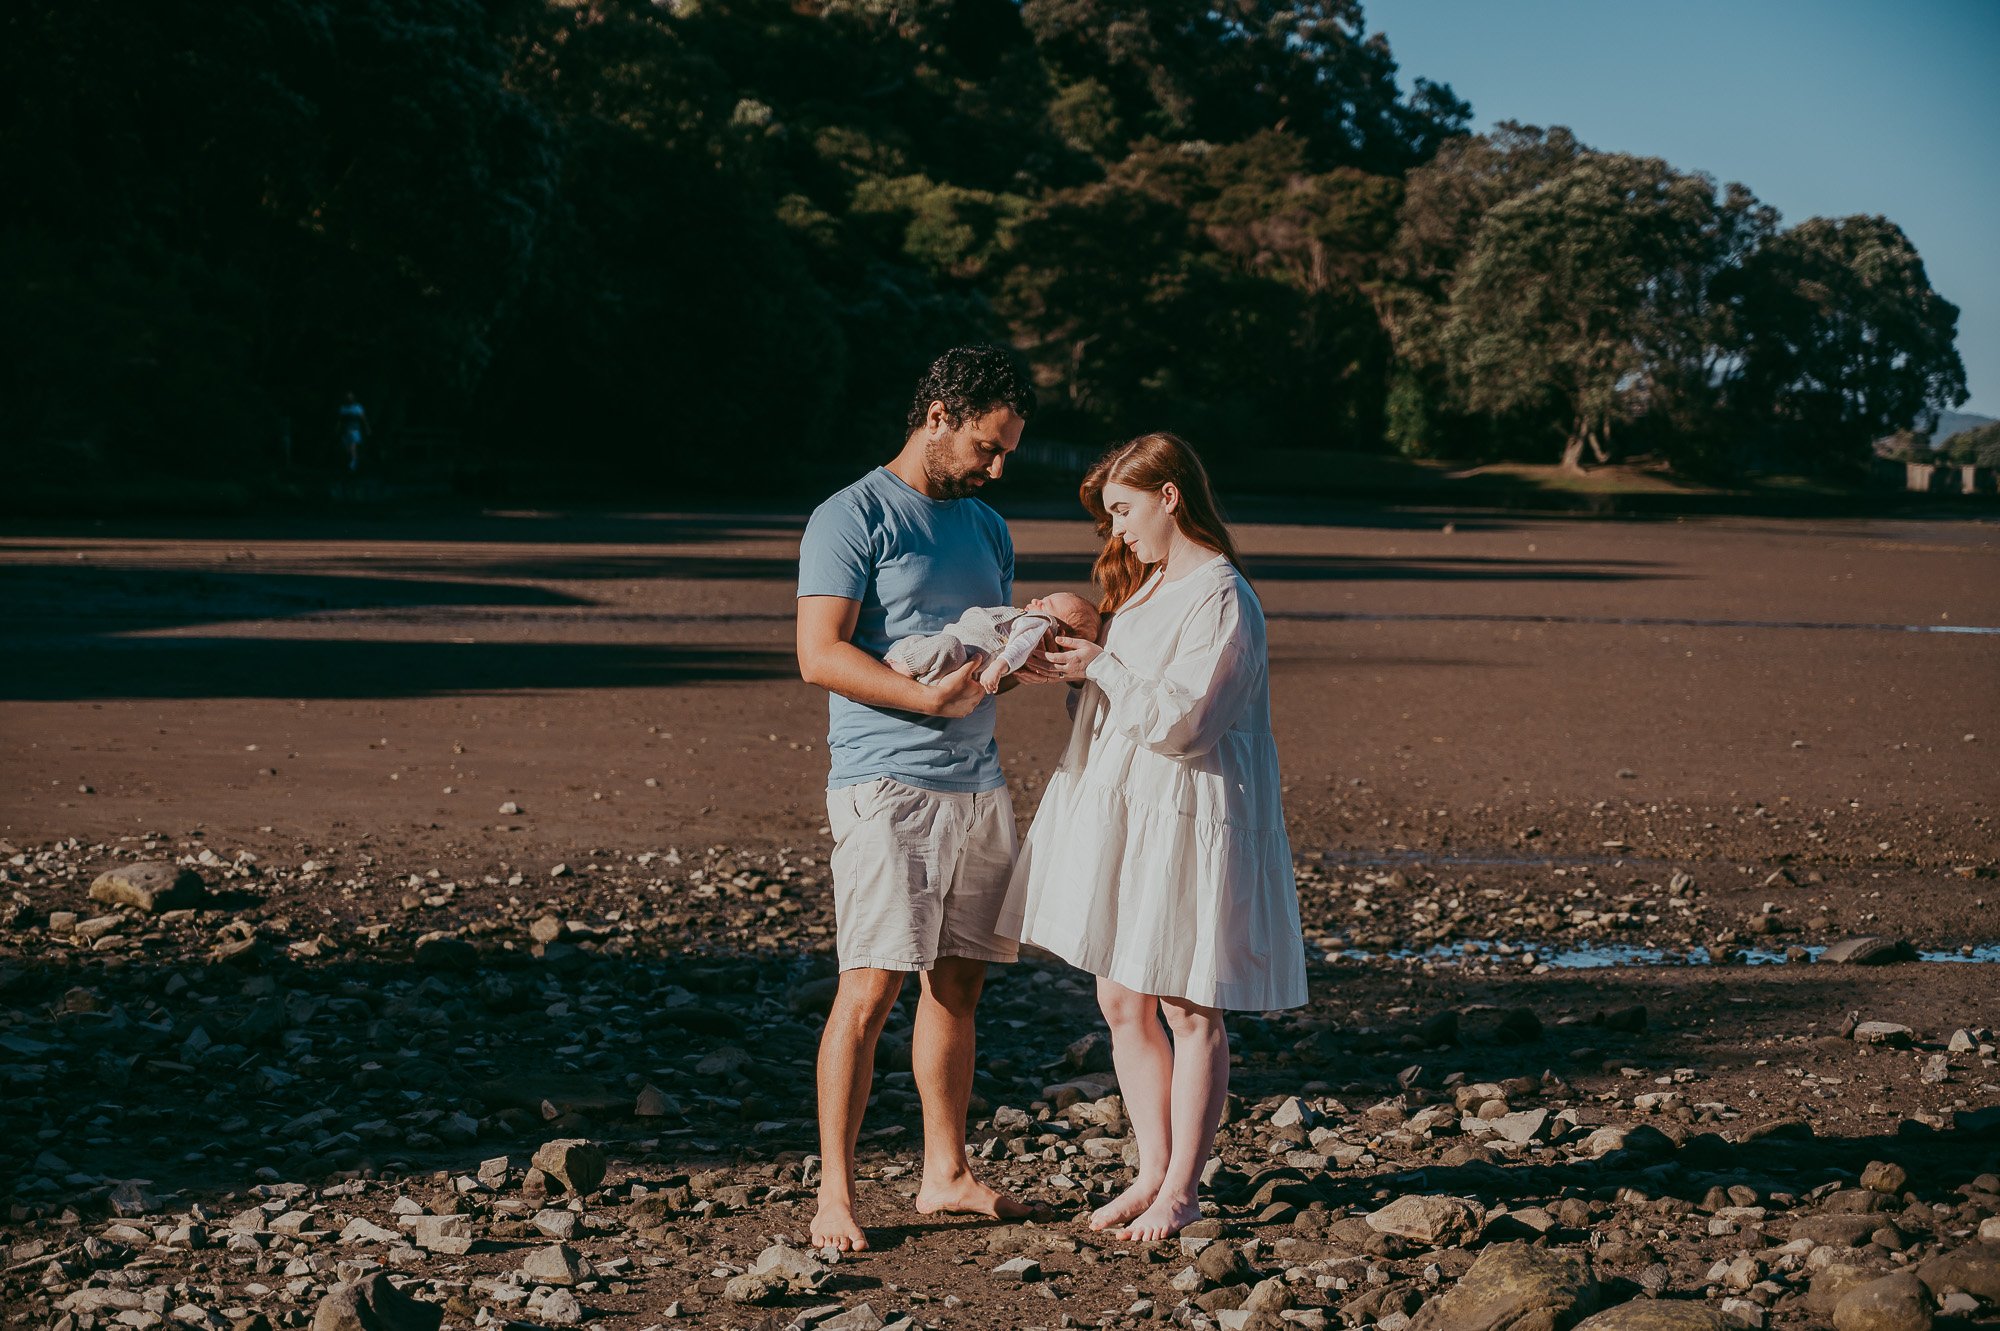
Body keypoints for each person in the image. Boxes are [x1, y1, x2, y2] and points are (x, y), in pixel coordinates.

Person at [999, 431, 1308, 1242]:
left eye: (1125, 510)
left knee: (1188, 1001)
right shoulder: (1145, 587)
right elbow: (1118, 706)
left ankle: (1183, 1188)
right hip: (1131, 808)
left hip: (1192, 810)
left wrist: (1098, 665)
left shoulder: (1223, 595)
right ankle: (1149, 1167)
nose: (1118, 532)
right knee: (1120, 994)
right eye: (1110, 516)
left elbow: (1187, 723)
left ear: (1170, 496)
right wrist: (1065, 669)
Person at [794, 345, 1039, 1252]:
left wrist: (1018, 664)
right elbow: (820, 653)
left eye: (1007, 450)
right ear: (937, 415)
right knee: (870, 985)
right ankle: (836, 1195)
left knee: (960, 981)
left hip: (976, 781)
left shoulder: (987, 527)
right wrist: (928, 698)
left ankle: (946, 1172)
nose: (997, 465)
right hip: (883, 784)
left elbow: (985, 658)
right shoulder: (850, 514)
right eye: (988, 444)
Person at [885, 591, 1102, 694]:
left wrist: (999, 666)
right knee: (917, 642)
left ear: (1058, 629)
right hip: (945, 650)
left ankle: (902, 670)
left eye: (1046, 604)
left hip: (956, 655)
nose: (1036, 600)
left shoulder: (1039, 622)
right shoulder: (1028, 618)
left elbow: (1019, 647)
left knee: (946, 645)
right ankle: (893, 666)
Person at [337, 392, 370, 473]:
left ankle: (353, 462)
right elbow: (340, 420)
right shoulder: (343, 408)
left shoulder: (357, 407)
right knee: (346, 447)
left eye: (351, 397)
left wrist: (367, 428)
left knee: (353, 445)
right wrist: (337, 427)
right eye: (348, 397)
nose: (349, 399)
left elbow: (363, 419)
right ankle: (352, 460)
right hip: (346, 430)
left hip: (355, 429)